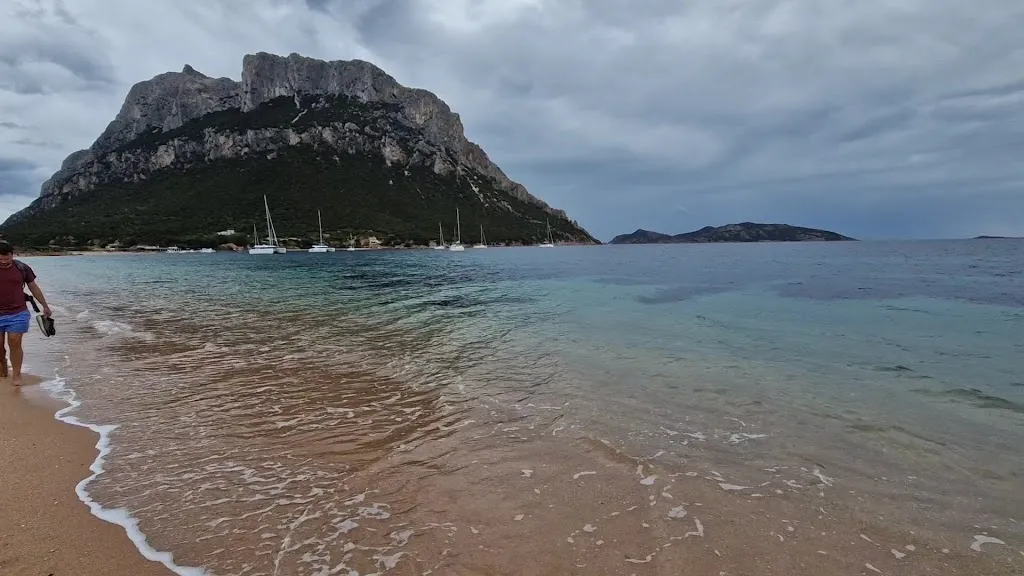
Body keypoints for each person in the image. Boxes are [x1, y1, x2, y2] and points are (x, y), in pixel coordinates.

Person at [0, 241, 51, 386]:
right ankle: (2, 361)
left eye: (6, 258)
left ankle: (16, 375)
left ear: (12, 255)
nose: (3, 261)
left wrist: (44, 305)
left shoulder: (22, 268)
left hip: (18, 312)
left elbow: (33, 286)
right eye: (0, 258)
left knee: (14, 341)